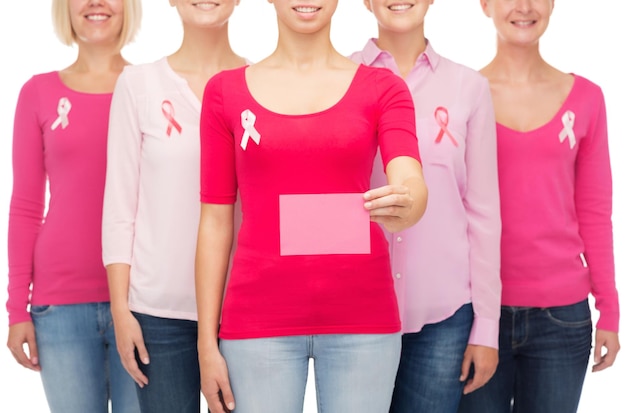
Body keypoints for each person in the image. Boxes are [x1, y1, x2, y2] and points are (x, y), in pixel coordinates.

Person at [195, 1, 428, 412]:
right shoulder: (224, 92)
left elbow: (409, 176)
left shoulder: (383, 87)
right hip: (256, 322)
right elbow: (215, 220)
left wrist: (408, 200)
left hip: (364, 319)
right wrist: (205, 344)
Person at [458, 1, 620, 412]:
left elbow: (596, 210)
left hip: (562, 319)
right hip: (477, 313)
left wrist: (610, 310)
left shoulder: (586, 98)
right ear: (485, 6)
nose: (524, 7)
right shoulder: (462, 96)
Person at [350, 1, 501, 412]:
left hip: (443, 317)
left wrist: (487, 326)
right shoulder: (337, 79)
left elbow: (484, 213)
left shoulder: (468, 88)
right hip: (354, 313)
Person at [101, 1, 246, 412]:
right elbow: (120, 206)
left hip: (241, 307)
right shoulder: (138, 84)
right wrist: (120, 309)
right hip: (156, 313)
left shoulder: (260, 82)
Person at [5, 1, 142, 412]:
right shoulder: (38, 92)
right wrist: (16, 309)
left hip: (141, 303)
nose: (96, 3)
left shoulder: (151, 87)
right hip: (59, 307)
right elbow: (26, 206)